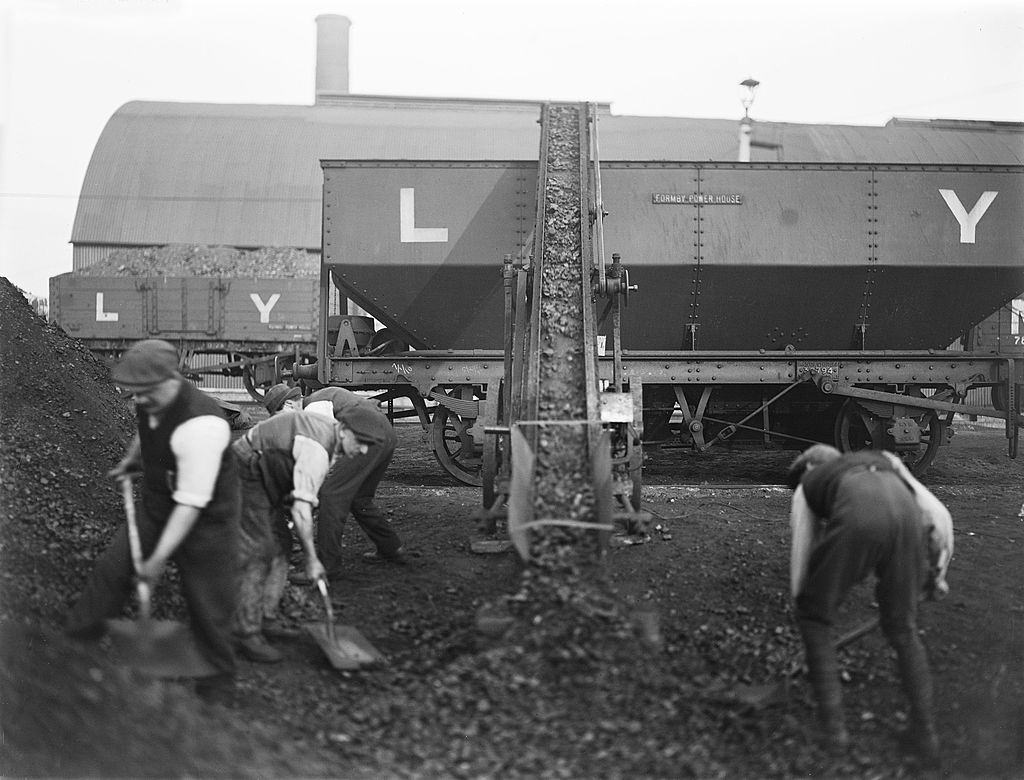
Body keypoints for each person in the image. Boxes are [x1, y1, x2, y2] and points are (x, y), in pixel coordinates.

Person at [65, 339, 241, 697]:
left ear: (169, 380)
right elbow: (146, 431)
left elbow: (191, 503)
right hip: (158, 503)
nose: (136, 400)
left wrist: (158, 559)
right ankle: (71, 652)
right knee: (112, 570)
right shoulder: (150, 399)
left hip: (207, 518)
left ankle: (217, 688)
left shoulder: (203, 426)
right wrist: (134, 460)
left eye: (142, 392)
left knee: (209, 601)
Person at [786, 444, 953, 766]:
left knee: (814, 617)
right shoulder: (887, 463)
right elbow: (936, 515)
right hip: (907, 516)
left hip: (861, 517)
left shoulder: (809, 483)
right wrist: (936, 575)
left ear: (807, 468)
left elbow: (802, 557)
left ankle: (834, 738)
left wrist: (809, 608)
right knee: (903, 628)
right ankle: (925, 735)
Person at [231, 406, 370, 662]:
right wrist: (312, 559)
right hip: (245, 468)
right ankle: (245, 632)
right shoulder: (318, 450)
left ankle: (267, 617)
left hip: (267, 473)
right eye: (361, 442)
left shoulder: (331, 437)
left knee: (282, 544)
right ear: (345, 431)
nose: (363, 450)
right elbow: (301, 511)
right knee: (260, 549)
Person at [263, 383, 403, 581]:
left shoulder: (313, 408)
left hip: (367, 437)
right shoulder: (319, 403)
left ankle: (326, 567)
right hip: (385, 435)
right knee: (359, 499)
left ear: (288, 405)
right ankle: (391, 547)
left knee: (331, 496)